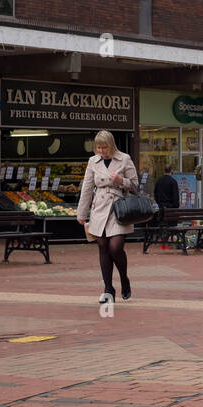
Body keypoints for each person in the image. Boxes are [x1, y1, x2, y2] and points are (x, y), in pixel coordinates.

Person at [77, 130, 139, 304]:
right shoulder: (93, 161)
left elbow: (135, 186)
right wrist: (82, 213)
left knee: (115, 247)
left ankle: (124, 279)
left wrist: (121, 181)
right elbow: (87, 188)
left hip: (119, 208)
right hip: (99, 207)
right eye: (98, 147)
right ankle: (108, 289)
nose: (101, 151)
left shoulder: (124, 158)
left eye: (104, 147)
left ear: (111, 145)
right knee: (103, 246)